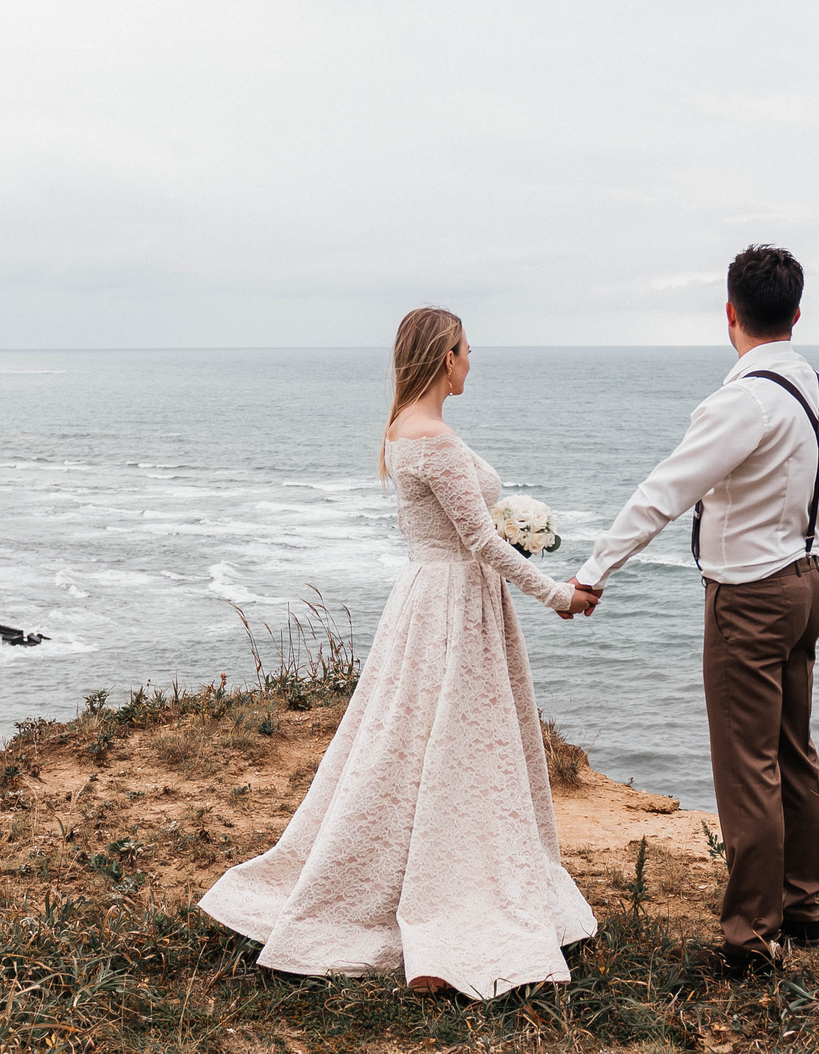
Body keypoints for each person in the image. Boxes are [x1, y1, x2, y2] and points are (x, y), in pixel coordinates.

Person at [199, 307, 597, 999]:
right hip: (454, 603)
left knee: (411, 742)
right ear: (445, 356)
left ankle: (406, 869)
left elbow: (463, 531)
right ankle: (446, 901)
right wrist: (558, 595)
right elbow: (480, 542)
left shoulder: (401, 430)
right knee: (457, 746)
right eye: (467, 349)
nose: (473, 360)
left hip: (425, 597)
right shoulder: (435, 439)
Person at [568, 245, 819, 977]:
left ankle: (751, 943)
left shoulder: (742, 401)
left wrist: (595, 569)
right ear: (795, 312)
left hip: (750, 598)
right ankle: (802, 909)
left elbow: (665, 490)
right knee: (793, 749)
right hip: (808, 583)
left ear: (730, 314)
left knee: (746, 764)